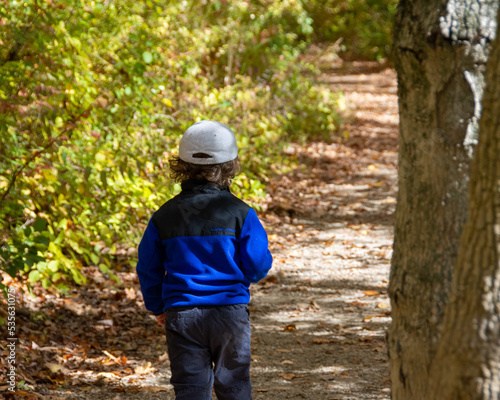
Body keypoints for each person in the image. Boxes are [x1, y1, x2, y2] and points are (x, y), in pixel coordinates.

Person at [136, 120, 273, 400]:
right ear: (231, 165)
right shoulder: (241, 213)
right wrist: (242, 276)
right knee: (234, 386)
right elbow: (258, 265)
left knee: (190, 390)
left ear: (181, 166)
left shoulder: (164, 216)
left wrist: (157, 305)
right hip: (230, 314)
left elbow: (148, 266)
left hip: (182, 315)